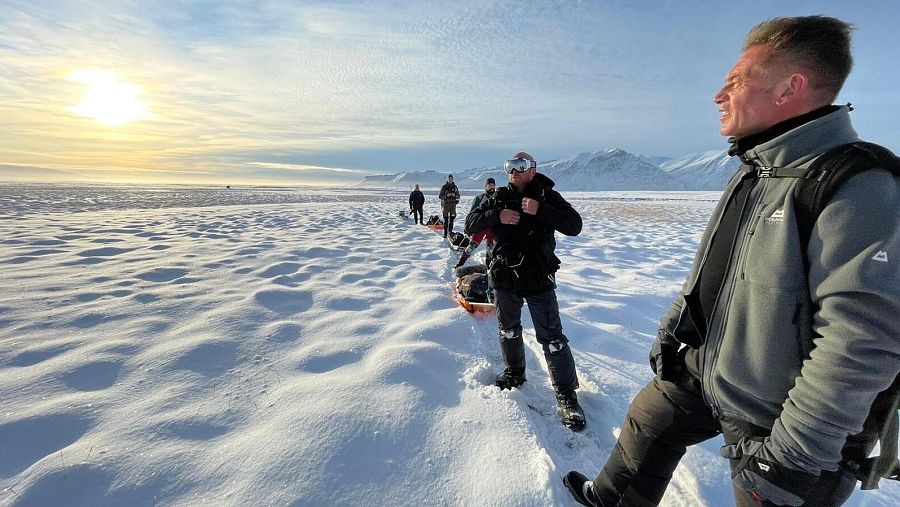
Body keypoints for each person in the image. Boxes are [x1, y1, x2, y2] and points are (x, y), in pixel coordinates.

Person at [564, 16, 899, 507]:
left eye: (737, 81)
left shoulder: (857, 184)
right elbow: (713, 272)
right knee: (650, 419)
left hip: (783, 421)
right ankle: (607, 499)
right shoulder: (754, 170)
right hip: (711, 370)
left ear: (791, 88)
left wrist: (794, 457)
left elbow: (862, 340)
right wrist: (674, 332)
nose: (719, 95)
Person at [466, 152, 586, 430]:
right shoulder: (495, 198)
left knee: (552, 338)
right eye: (510, 166)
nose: (514, 171)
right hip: (504, 276)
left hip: (538, 278)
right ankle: (515, 372)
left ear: (533, 170)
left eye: (521, 166)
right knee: (508, 329)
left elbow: (574, 226)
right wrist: (496, 215)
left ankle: (567, 396)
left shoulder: (546, 196)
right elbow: (470, 225)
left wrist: (540, 210)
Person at [455, 177, 496, 268]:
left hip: (492, 227)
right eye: (489, 185)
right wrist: (468, 227)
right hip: (481, 226)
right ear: (486, 187)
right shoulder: (479, 198)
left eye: (493, 185)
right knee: (471, 247)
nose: (491, 187)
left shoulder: (498, 197)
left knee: (490, 249)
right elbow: (472, 213)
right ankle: (460, 264)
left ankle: (488, 267)